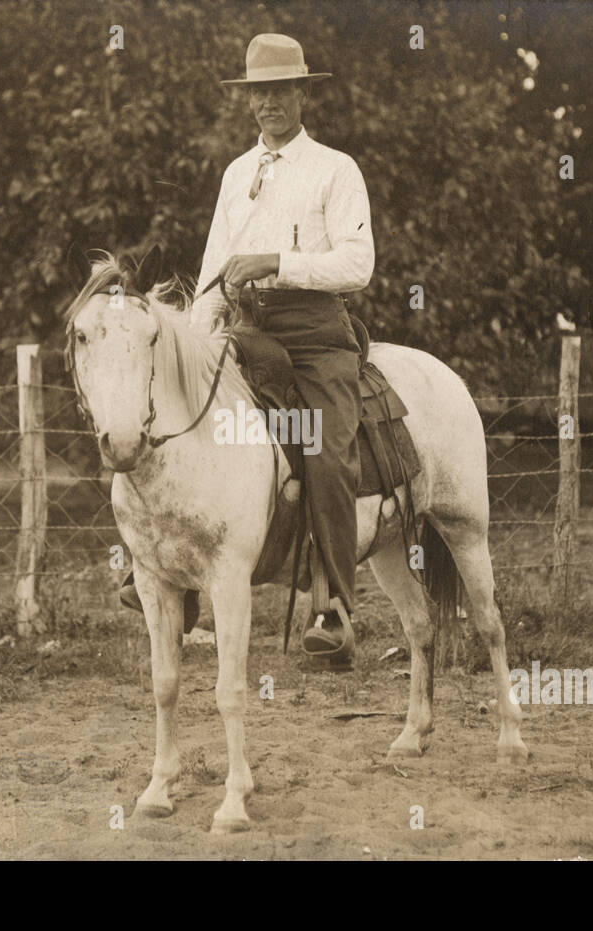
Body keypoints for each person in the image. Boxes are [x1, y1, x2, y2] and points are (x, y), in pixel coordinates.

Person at [187, 33, 375, 664]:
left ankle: (336, 607)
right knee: (187, 421)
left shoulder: (335, 169)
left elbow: (358, 263)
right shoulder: (236, 174)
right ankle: (178, 582)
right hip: (246, 327)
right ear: (248, 101)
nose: (268, 104)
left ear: (302, 93)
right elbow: (215, 268)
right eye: (257, 93)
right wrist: (193, 336)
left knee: (325, 446)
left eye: (279, 91)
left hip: (317, 330)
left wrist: (277, 262)